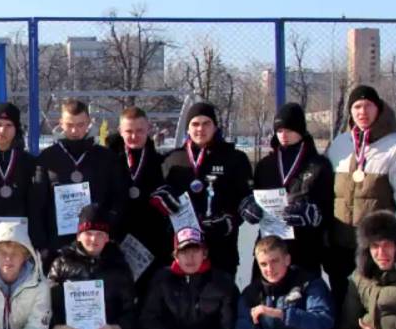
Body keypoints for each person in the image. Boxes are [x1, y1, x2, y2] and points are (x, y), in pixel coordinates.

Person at [324, 84, 396, 316]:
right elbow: (329, 193)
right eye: (357, 106)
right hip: (341, 246)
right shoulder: (340, 144)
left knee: (373, 309)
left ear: (378, 108)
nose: (362, 112)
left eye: (368, 105)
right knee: (341, 305)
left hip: (376, 249)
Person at [158, 101, 252, 276]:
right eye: (195, 124)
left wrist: (230, 220)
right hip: (183, 251)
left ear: (215, 127)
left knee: (219, 300)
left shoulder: (234, 158)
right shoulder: (172, 160)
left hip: (221, 249)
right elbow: (161, 199)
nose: (200, 129)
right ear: (187, 128)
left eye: (206, 123)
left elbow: (246, 199)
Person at [242, 103, 332, 276]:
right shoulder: (265, 165)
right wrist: (248, 207)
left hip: (304, 250)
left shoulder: (318, 165)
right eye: (280, 130)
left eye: (289, 130)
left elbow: (328, 207)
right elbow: (253, 197)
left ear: (301, 131)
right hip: (268, 250)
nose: (284, 135)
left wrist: (313, 214)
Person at [32, 98, 125, 257]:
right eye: (69, 125)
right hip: (58, 243)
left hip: (95, 242)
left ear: (89, 122)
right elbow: (37, 204)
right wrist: (42, 243)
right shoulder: (47, 158)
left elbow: (118, 197)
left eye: (80, 125)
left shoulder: (105, 157)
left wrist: (107, 227)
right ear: (60, 123)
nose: (75, 131)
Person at [110, 107, 171, 290]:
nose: (134, 136)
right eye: (129, 131)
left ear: (148, 130)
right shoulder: (108, 161)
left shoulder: (162, 163)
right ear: (120, 131)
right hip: (117, 240)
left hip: (152, 244)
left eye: (139, 131)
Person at [0, 102, 37, 240]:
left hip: (20, 238)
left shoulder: (29, 163)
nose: (2, 131)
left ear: (16, 129)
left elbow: (35, 206)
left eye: (9, 125)